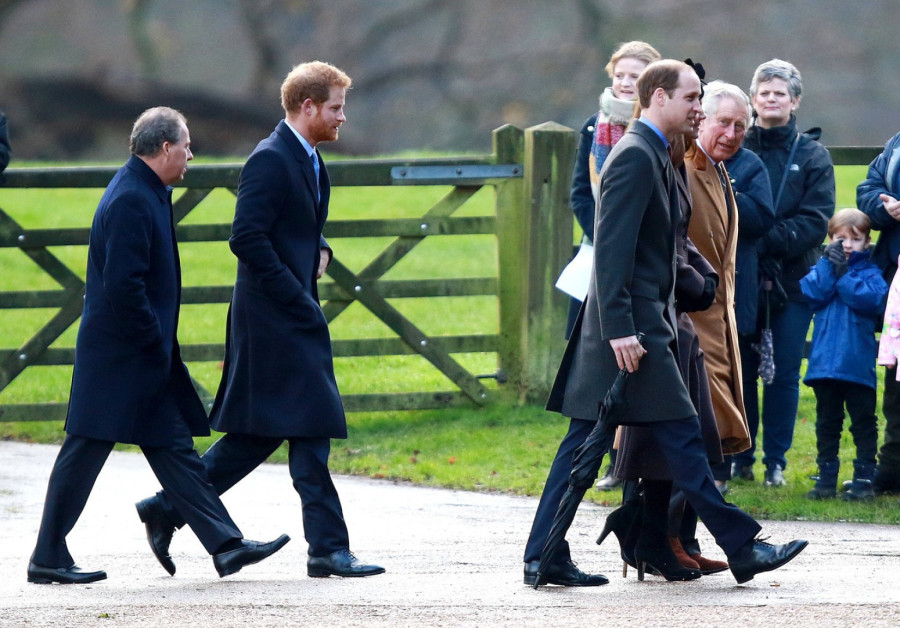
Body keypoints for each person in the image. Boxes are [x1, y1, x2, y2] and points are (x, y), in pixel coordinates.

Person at [527, 59, 807, 586]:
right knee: (676, 438)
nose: (698, 108)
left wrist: (697, 282)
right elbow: (611, 253)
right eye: (691, 98)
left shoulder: (659, 154)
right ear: (658, 97)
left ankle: (544, 554)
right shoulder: (635, 155)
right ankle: (742, 546)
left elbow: (670, 242)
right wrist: (619, 330)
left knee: (599, 444)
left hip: (648, 326)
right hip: (631, 334)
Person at [134, 62, 384, 579]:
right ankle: (328, 549)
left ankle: (169, 507)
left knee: (262, 433)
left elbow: (297, 226)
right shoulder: (270, 159)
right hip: (274, 320)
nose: (343, 117)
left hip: (290, 316)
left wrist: (322, 248)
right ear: (308, 107)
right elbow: (246, 236)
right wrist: (296, 295)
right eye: (336, 107)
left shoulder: (309, 158)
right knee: (306, 425)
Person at [27, 107, 290, 585]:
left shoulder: (148, 190)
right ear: (165, 148)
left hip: (140, 355)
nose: (191, 154)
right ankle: (47, 555)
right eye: (186, 145)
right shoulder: (131, 198)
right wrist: (154, 342)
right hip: (121, 357)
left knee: (173, 448)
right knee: (84, 450)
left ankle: (226, 545)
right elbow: (124, 286)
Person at [734, 59, 835, 487]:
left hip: (794, 279)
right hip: (743, 276)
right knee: (741, 368)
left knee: (785, 372)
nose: (771, 99)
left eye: (780, 93)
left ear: (794, 102)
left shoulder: (814, 155)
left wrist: (772, 238)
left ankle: (777, 459)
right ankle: (740, 455)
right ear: (752, 99)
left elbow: (817, 217)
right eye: (764, 92)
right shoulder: (735, 147)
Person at [564, 40, 660, 491]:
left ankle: (625, 459)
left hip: (635, 258)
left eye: (635, 74)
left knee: (631, 362)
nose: (625, 81)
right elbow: (581, 193)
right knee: (591, 363)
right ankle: (595, 455)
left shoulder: (651, 130)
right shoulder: (591, 127)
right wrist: (604, 236)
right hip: (593, 250)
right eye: (620, 73)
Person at [801, 209, 887, 500]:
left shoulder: (871, 272)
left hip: (857, 365)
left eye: (855, 239)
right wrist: (830, 267)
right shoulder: (822, 267)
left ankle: (864, 478)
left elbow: (871, 300)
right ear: (830, 239)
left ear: (867, 241)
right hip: (825, 365)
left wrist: (843, 275)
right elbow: (812, 291)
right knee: (827, 423)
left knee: (863, 422)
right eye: (841, 239)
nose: (848, 246)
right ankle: (825, 478)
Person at [858, 130, 900, 495]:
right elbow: (867, 188)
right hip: (897, 275)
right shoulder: (896, 143)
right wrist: (884, 208)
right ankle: (892, 470)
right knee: (897, 374)